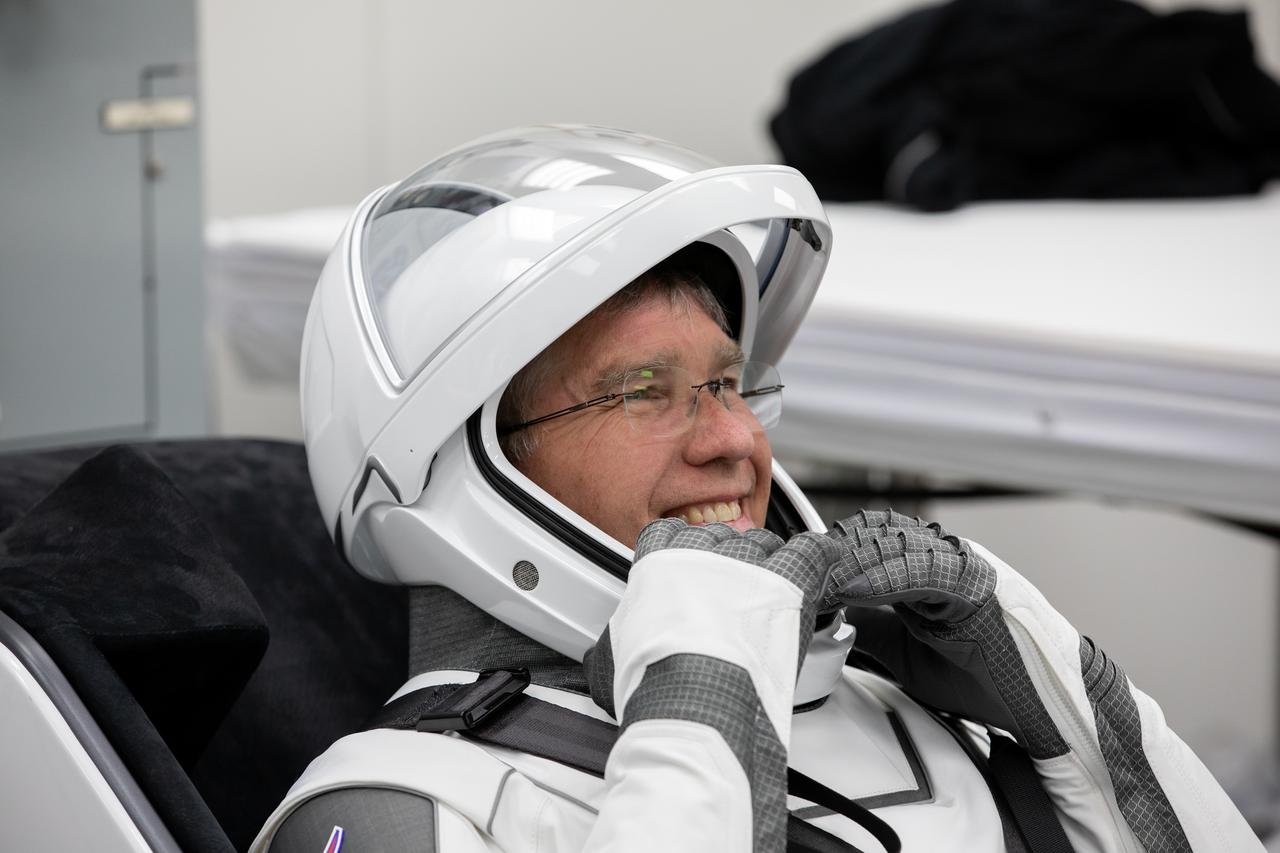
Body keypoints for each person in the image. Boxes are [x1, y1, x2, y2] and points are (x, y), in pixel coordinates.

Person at [252, 125, 1259, 852]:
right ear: (470, 461)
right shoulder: (398, 810)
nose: (736, 440)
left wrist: (1071, 718)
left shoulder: (905, 701)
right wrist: (701, 698)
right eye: (644, 391)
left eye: (729, 384)